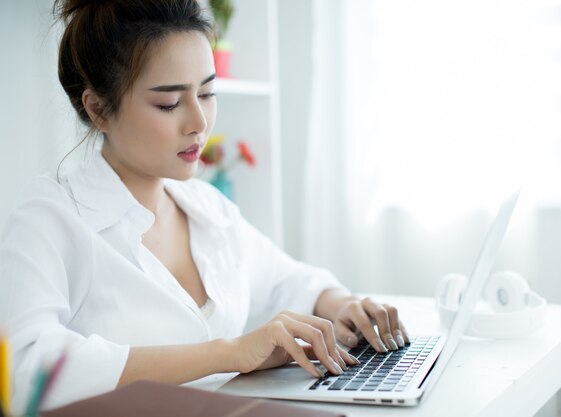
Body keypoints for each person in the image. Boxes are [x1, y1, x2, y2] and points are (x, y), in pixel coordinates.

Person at [0, 0, 409, 413]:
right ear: (98, 109)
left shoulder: (205, 207)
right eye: (169, 103)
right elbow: (28, 368)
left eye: (208, 92)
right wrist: (226, 353)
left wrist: (341, 304)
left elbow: (289, 280)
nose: (199, 121)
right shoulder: (50, 218)